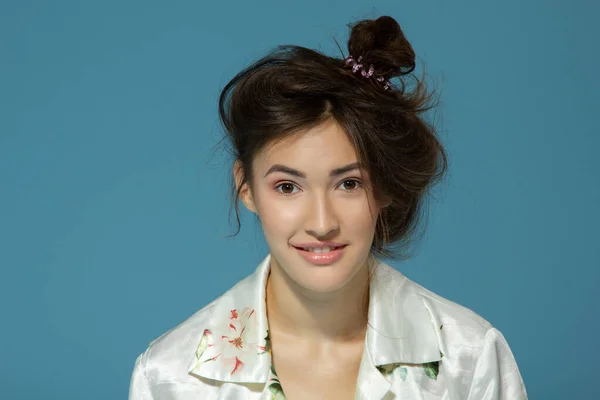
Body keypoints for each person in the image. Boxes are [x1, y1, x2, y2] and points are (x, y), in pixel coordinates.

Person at [129, 15, 527, 400]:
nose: (321, 223)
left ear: (384, 185)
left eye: (349, 184)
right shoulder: (169, 378)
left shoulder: (470, 358)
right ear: (245, 188)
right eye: (287, 186)